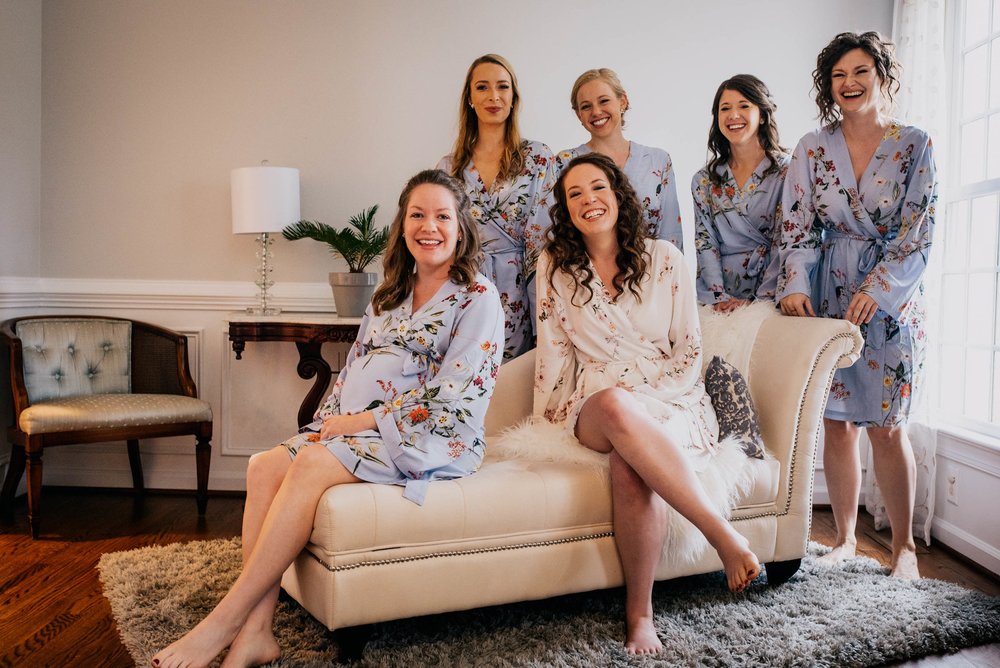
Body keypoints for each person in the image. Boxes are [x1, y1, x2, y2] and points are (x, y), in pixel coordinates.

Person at [151, 170, 504, 668]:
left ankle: (222, 623)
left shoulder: (478, 296)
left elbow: (456, 394)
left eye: (443, 216)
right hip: (356, 426)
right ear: (402, 226)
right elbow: (352, 366)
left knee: (314, 464)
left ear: (461, 227)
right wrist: (329, 421)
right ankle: (257, 633)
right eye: (418, 215)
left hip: (431, 436)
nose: (430, 226)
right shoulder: (389, 291)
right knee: (262, 467)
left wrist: (358, 423)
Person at [535, 153, 760, 656]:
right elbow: (553, 349)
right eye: (575, 194)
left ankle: (640, 615)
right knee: (616, 407)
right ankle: (721, 534)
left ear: (618, 194)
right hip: (597, 401)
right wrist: (545, 420)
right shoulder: (555, 267)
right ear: (565, 208)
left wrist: (650, 399)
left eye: (598, 188)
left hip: (671, 397)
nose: (588, 200)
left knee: (628, 461)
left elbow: (690, 349)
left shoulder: (666, 259)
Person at [776, 31, 938, 580]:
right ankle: (844, 539)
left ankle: (904, 548)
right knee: (836, 421)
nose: (849, 83)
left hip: (890, 301)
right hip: (827, 294)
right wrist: (795, 281)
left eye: (860, 71)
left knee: (888, 424)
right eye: (839, 75)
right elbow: (795, 225)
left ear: (881, 77)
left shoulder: (915, 144)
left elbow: (919, 230)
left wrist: (880, 288)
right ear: (828, 85)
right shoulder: (812, 147)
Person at [438, 53, 557, 362]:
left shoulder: (538, 158)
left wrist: (541, 309)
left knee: (513, 386)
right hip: (465, 287)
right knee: (466, 380)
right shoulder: (449, 169)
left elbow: (545, 238)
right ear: (469, 98)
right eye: (482, 87)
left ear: (513, 97)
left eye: (503, 87)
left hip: (522, 289)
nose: (493, 96)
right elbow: (440, 242)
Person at [556, 68, 684, 251]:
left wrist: (668, 276)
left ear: (622, 101)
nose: (596, 111)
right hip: (588, 274)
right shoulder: (564, 163)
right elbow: (561, 230)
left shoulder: (658, 161)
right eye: (586, 106)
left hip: (652, 272)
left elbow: (671, 234)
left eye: (604, 101)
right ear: (579, 115)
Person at [692, 74, 790, 311]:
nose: (733, 115)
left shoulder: (787, 171)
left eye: (744, 106)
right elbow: (705, 242)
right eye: (725, 108)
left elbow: (786, 238)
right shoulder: (704, 180)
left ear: (763, 115)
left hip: (773, 291)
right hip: (721, 296)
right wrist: (719, 297)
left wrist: (760, 302)